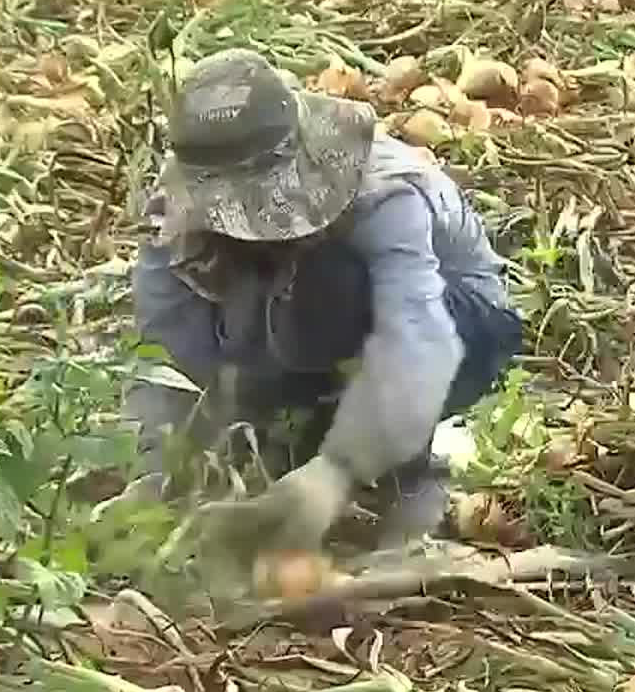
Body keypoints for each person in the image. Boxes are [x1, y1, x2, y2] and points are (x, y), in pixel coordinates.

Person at [126, 47, 524, 563]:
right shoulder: (183, 196)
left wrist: (336, 472)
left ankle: (412, 476)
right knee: (249, 339)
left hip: (455, 327)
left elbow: (418, 339)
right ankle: (303, 434)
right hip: (298, 329)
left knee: (330, 288)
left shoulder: (382, 191)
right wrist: (155, 480)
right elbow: (164, 350)